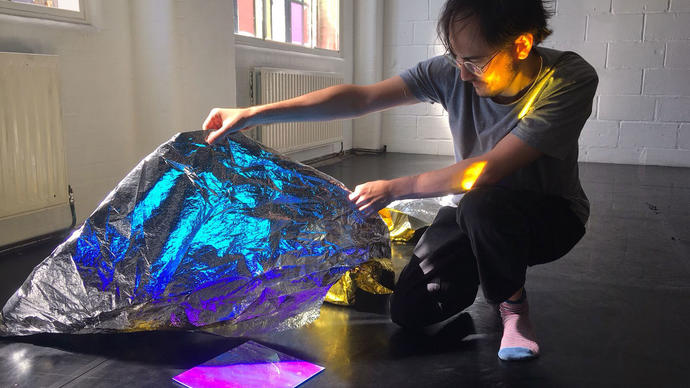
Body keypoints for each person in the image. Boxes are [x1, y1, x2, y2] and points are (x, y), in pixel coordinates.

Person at [202, 0, 597, 361]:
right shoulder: (454, 71)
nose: (460, 74)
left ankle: (513, 308)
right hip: (475, 215)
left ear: (522, 45)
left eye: (474, 61)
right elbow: (361, 98)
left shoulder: (568, 79)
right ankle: (490, 263)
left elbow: (487, 171)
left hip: (548, 216)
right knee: (410, 311)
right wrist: (254, 113)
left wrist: (394, 188)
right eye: (454, 57)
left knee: (483, 203)